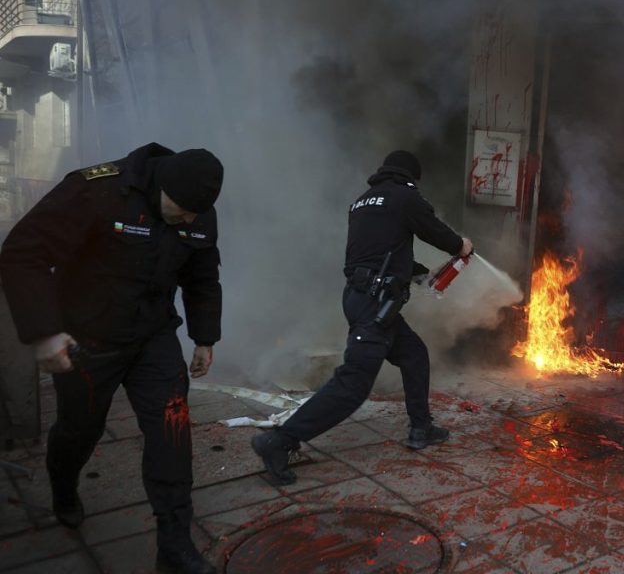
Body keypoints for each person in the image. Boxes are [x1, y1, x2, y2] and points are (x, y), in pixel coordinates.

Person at [0, 143, 223, 574]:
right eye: (181, 212)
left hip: (153, 337)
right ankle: (64, 484)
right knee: (79, 430)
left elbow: (202, 277)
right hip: (89, 340)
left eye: (195, 215)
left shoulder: (196, 209)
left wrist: (204, 338)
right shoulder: (96, 190)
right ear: (162, 186)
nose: (188, 221)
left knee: (172, 430)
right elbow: (23, 254)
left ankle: (174, 545)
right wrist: (44, 333)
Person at [251, 150, 472, 485]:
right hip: (374, 304)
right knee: (353, 385)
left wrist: (415, 273)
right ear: (411, 177)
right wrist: (461, 245)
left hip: (363, 298)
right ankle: (279, 440)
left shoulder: (362, 202)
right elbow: (439, 234)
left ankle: (421, 427)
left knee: (414, 354)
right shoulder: (405, 196)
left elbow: (375, 250)